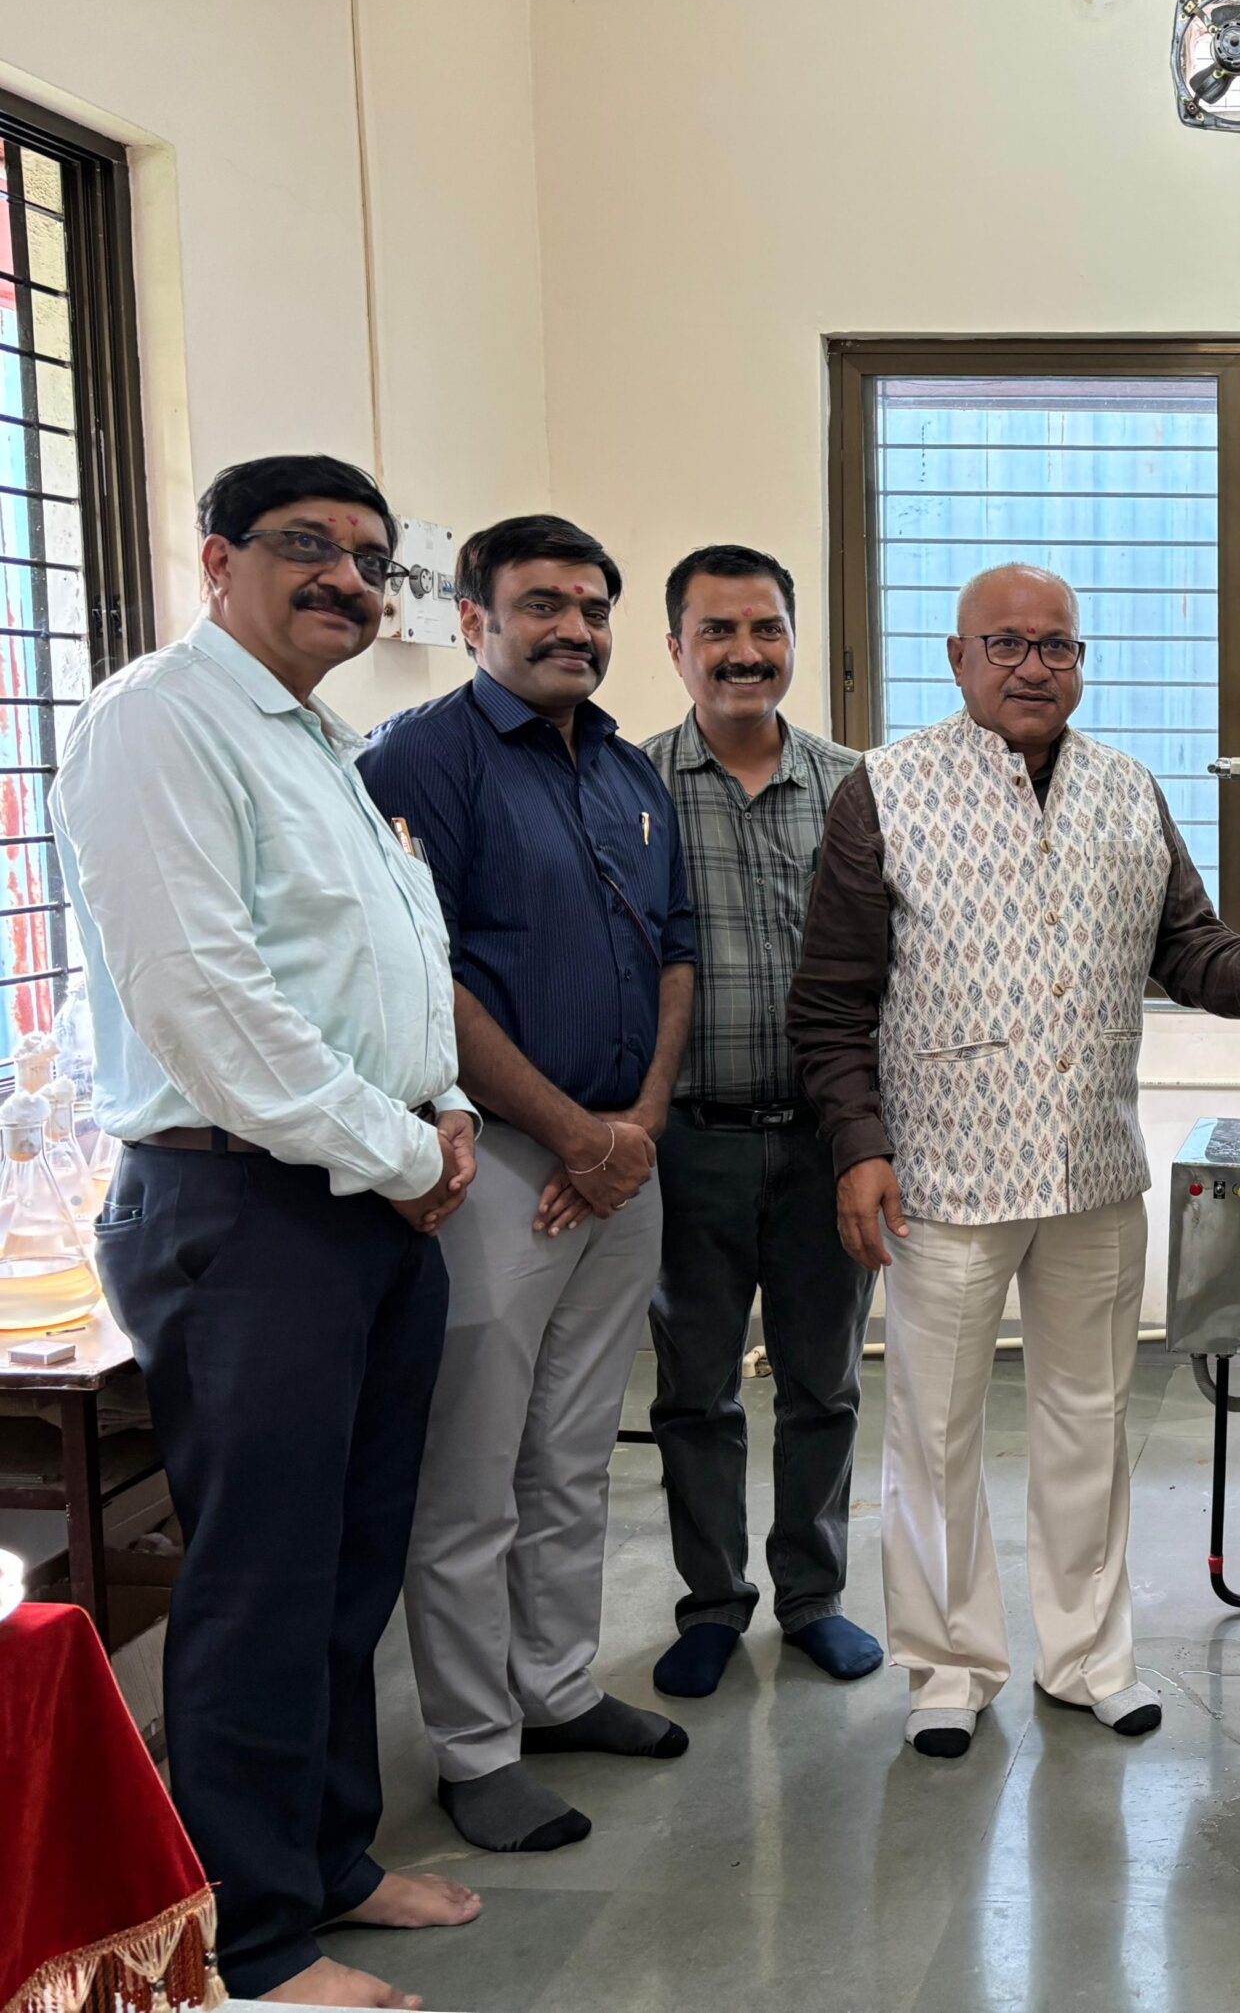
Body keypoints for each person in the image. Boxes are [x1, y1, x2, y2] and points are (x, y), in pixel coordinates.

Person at [52, 455, 481, 2011]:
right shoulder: (156, 722)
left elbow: (382, 967)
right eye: (309, 548)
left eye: (370, 560)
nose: (347, 582)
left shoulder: (323, 744)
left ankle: (328, 1859)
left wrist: (441, 1120)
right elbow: (208, 1000)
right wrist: (400, 1151)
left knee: (351, 1560)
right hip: (246, 1207)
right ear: (217, 553)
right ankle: (249, 1933)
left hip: (364, 1200)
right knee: (259, 1575)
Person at [789, 564, 1240, 1760]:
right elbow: (831, 1006)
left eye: (1057, 647)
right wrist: (860, 1149)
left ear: (1081, 661)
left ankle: (1088, 1656)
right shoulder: (882, 794)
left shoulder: (1127, 790)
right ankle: (948, 1666)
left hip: (1092, 1166)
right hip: (941, 1175)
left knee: (1090, 1417)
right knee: (933, 1428)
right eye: (1007, 644)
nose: (1034, 666)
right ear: (957, 658)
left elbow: (1191, 953)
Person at [361, 515, 697, 1854]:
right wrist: (567, 1130)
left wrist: (637, 1128)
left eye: (593, 606)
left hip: (622, 1162)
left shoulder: (624, 769)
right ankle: (475, 1745)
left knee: (572, 1454)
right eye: (542, 603)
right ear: (471, 618)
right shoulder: (418, 764)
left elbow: (673, 954)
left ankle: (556, 1687)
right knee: (474, 1474)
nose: (575, 627)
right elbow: (417, 978)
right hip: (494, 1167)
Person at [640, 545, 876, 1699]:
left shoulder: (854, 788)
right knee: (693, 1388)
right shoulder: (627, 789)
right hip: (687, 1142)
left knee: (823, 1382)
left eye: (767, 629)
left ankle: (814, 1596)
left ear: (792, 639)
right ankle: (710, 1603)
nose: (745, 653)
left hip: (825, 1139)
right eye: (718, 631)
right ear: (674, 647)